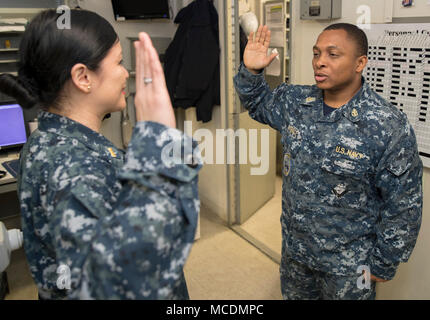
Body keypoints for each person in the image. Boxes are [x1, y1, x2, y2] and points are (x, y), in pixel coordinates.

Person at [0, 9, 201, 300]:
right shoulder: (76, 171)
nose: (126, 72)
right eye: (118, 62)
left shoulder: (48, 138)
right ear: (83, 77)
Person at [234, 23, 423, 300]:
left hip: (350, 267)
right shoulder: (296, 102)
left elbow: (404, 204)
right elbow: (257, 103)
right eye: (316, 53)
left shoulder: (387, 125)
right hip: (296, 255)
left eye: (333, 55)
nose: (320, 62)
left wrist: (385, 261)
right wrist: (251, 70)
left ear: (360, 63)